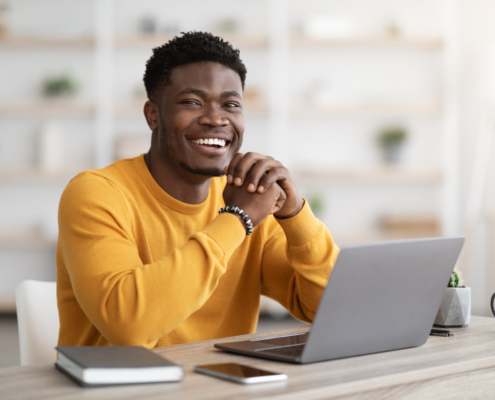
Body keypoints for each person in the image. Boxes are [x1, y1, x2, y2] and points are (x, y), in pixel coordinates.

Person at [56, 32, 339, 348]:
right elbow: (129, 327)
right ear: (153, 115)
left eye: (230, 104)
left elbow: (334, 310)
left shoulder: (248, 197)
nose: (216, 119)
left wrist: (296, 214)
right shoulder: (96, 193)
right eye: (192, 102)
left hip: (223, 388)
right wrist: (236, 219)